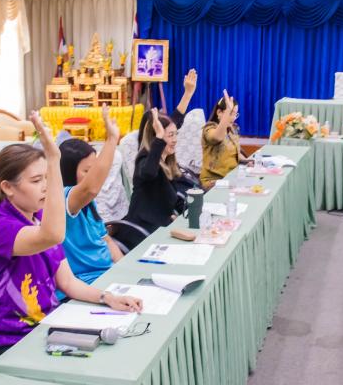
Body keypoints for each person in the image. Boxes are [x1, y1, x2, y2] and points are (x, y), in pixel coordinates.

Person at [0, 112, 142, 355]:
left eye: (46, 178)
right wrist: (53, 160)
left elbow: (67, 282)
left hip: (47, 327)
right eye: (36, 181)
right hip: (10, 341)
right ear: (8, 187)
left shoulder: (39, 217)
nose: (45, 186)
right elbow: (52, 235)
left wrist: (108, 298)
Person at [58, 106, 124, 299]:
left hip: (109, 276)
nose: (94, 175)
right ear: (68, 171)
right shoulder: (64, 198)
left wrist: (125, 268)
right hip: (87, 284)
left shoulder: (88, 203)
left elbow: (106, 240)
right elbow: (91, 188)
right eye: (87, 171)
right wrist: (112, 139)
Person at [114, 108, 185, 250]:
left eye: (175, 134)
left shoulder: (167, 162)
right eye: (170, 135)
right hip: (141, 234)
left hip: (160, 228)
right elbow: (149, 173)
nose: (175, 140)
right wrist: (159, 138)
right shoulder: (145, 159)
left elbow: (173, 197)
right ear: (155, 138)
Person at [201, 91, 245, 188]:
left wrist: (248, 161)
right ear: (219, 112)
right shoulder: (209, 129)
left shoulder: (233, 128)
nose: (233, 118)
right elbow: (217, 137)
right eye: (230, 113)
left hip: (231, 177)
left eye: (235, 114)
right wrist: (228, 111)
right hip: (214, 181)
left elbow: (236, 153)